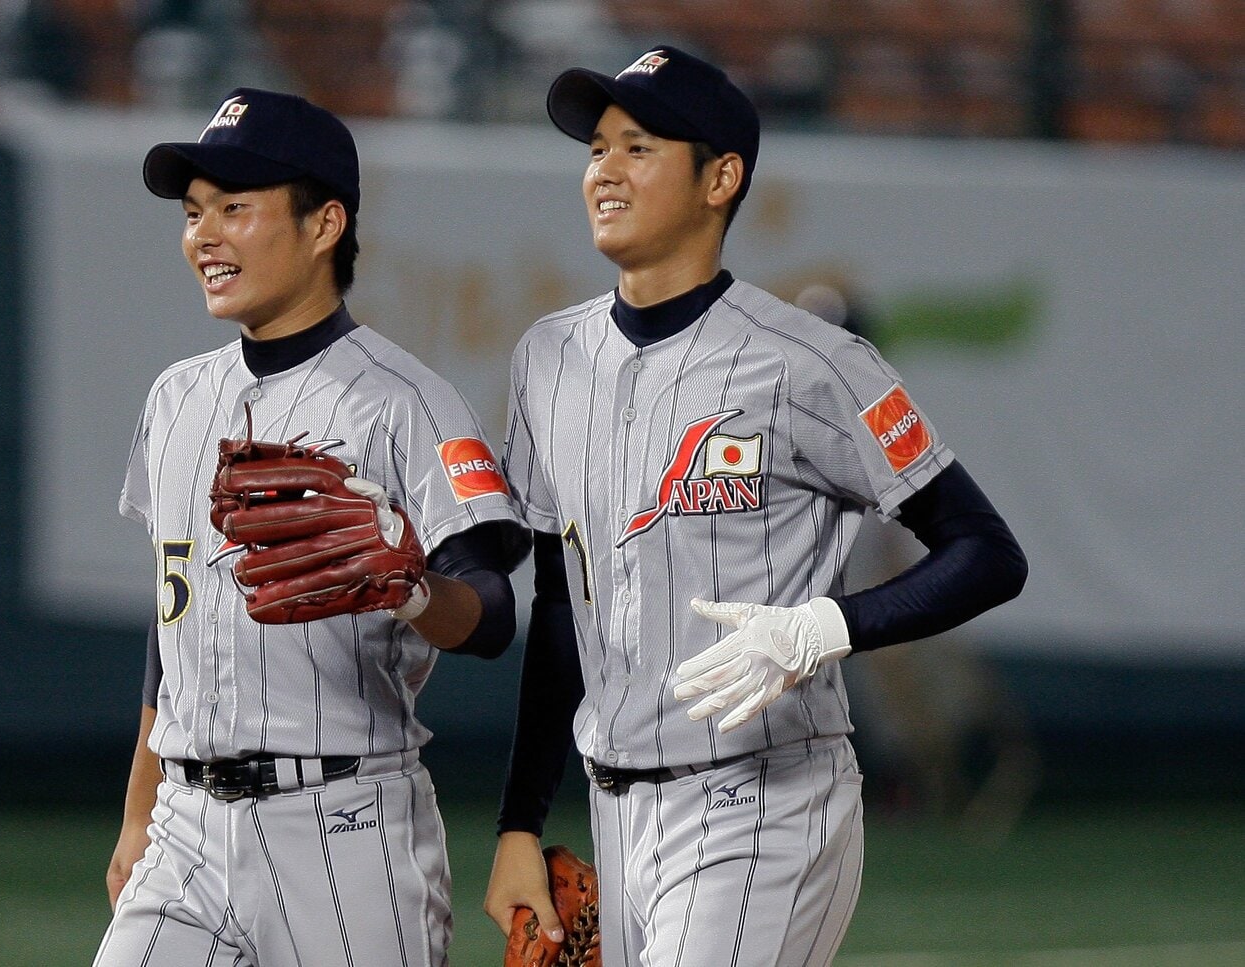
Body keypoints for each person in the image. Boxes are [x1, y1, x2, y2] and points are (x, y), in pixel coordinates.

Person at [484, 46, 1027, 965]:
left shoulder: (810, 363)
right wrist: (518, 823)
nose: (605, 170)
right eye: (598, 148)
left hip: (764, 798)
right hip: (614, 807)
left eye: (639, 147)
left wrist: (823, 627)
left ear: (720, 178)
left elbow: (986, 551)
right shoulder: (547, 358)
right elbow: (559, 609)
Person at [93, 86, 530, 967]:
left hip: (343, 824)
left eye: (235, 208)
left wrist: (413, 589)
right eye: (193, 212)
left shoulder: (405, 402)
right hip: (184, 826)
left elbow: (491, 610)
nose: (204, 236)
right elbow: (170, 621)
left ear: (325, 223)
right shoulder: (175, 399)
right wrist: (139, 812)